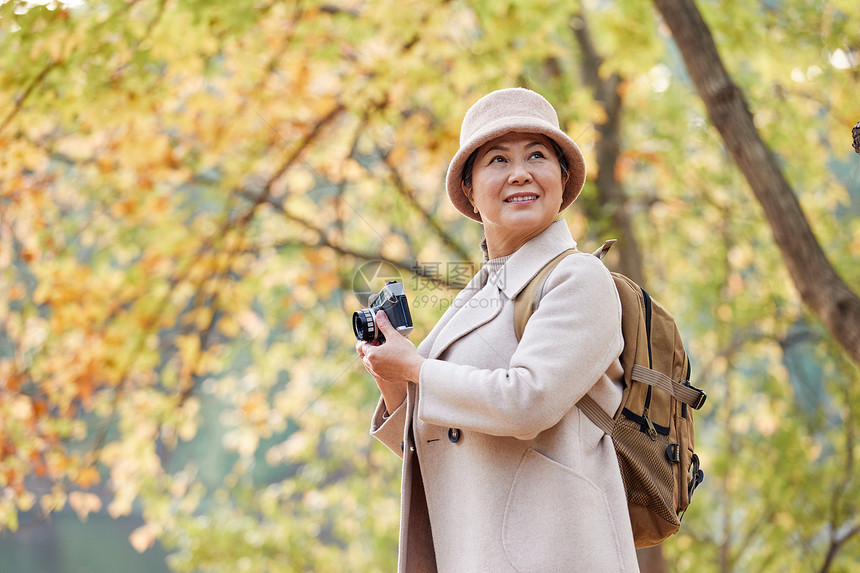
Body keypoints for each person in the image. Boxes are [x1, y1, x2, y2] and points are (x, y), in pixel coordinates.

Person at [355, 88, 639, 572]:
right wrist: (395, 381)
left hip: (554, 553)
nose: (520, 172)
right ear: (468, 189)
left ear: (562, 178)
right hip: (474, 549)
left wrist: (418, 369)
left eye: (537, 155)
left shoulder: (578, 278)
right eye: (498, 159)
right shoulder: (480, 294)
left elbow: (527, 401)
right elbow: (441, 435)